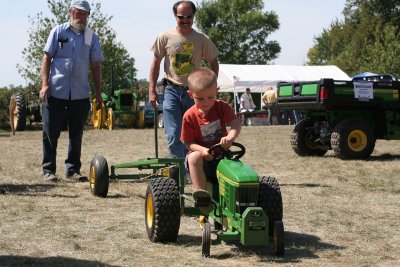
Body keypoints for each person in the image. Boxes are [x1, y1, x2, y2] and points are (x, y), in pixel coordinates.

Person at [39, 0, 104, 183]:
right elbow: (47, 59)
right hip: (56, 91)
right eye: (79, 13)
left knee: (76, 134)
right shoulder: (58, 31)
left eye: (85, 14)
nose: (82, 17)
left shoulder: (91, 37)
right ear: (71, 12)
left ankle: (73, 170)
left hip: (80, 94)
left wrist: (98, 93)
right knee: (50, 132)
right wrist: (45, 85)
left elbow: (95, 65)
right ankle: (48, 170)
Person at [148, 1, 219, 159]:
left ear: (194, 16)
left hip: (194, 94)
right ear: (175, 16)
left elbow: (214, 62)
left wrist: (211, 87)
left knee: (197, 134)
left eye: (189, 16)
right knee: (173, 134)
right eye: (181, 17)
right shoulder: (165, 36)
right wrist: (151, 90)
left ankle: (195, 169)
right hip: (171, 91)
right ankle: (177, 172)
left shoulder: (201, 39)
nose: (185, 20)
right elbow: (155, 64)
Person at [181, 69, 241, 213]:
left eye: (210, 97)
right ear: (191, 95)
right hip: (200, 157)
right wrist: (202, 150)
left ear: (217, 91)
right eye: (200, 99)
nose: (206, 102)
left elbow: (235, 124)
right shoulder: (189, 116)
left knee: (237, 165)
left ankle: (237, 204)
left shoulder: (222, 107)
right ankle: (202, 196)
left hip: (221, 154)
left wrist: (230, 137)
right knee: (194, 157)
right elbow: (188, 143)